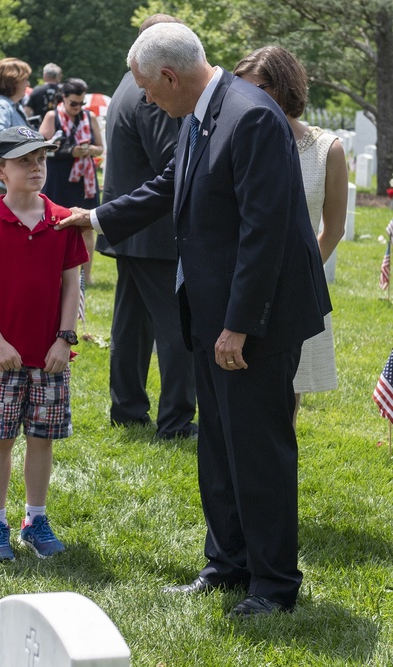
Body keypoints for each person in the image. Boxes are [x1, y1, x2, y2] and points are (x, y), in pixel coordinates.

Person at [62, 22, 331, 617]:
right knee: (218, 443)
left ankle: (273, 585)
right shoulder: (205, 111)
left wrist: (239, 324)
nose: (149, 103)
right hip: (211, 314)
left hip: (251, 319)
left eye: (149, 91)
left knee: (257, 448)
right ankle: (228, 564)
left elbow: (264, 233)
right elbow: (170, 185)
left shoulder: (250, 115)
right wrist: (97, 218)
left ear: (169, 75)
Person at [0, 126, 88, 561]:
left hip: (51, 355)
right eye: (25, 161)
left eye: (41, 160)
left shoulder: (63, 220)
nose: (37, 168)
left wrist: (64, 339)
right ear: (0, 170)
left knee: (43, 438)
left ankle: (34, 519)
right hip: (1, 357)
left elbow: (71, 283)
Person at [234, 46, 347, 426]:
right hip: (239, 284)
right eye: (240, 87)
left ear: (284, 87)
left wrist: (297, 277)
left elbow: (333, 228)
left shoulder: (325, 150)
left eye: (259, 88)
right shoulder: (235, 139)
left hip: (296, 291)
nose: (247, 97)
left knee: (286, 396)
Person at [97, 14, 196, 439]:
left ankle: (128, 407)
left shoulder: (126, 86)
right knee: (176, 328)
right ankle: (175, 421)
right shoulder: (146, 93)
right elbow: (169, 159)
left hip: (132, 227)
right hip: (153, 227)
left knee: (131, 325)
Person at [39, 78, 104, 285]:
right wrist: (69, 151)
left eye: (81, 103)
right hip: (59, 177)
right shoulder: (52, 117)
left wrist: (90, 150)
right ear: (63, 98)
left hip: (84, 179)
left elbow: (101, 147)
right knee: (55, 225)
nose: (78, 108)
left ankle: (86, 275)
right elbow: (42, 149)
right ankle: (55, 273)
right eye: (73, 103)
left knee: (86, 226)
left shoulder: (89, 116)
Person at [0, 57, 32, 202]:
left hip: (11, 175)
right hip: (3, 176)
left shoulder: (14, 106)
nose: (27, 85)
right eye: (24, 80)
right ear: (12, 81)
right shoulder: (1, 105)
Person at [24, 63, 62, 130]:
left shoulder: (37, 90)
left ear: (45, 75)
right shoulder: (63, 90)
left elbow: (27, 110)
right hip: (59, 127)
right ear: (56, 76)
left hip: (39, 127)